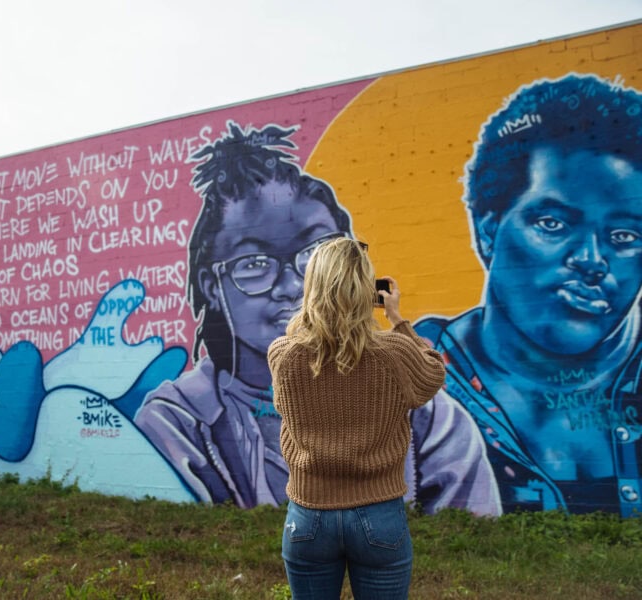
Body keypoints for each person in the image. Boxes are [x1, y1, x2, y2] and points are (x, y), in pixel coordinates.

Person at [135, 121, 498, 513]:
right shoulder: (179, 423)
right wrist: (394, 321)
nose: (292, 285)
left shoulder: (427, 416)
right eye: (254, 264)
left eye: (315, 256)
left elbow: (467, 525)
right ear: (211, 286)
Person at [414, 73, 642, 516]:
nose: (592, 260)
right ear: (488, 232)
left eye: (624, 236)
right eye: (553, 224)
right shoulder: (408, 381)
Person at [268, 237, 445, 599]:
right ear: (366, 289)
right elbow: (433, 374)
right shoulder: (394, 353)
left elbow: (299, 356)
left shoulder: (284, 355)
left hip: (308, 517)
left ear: (312, 287)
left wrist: (315, 317)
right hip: (378, 514)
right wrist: (397, 319)